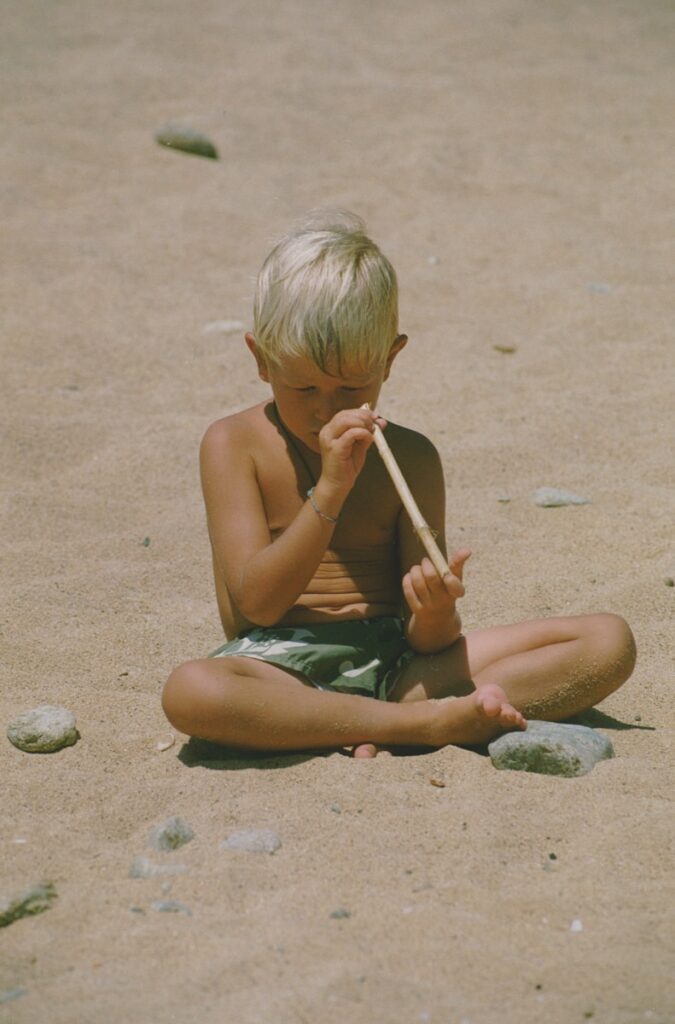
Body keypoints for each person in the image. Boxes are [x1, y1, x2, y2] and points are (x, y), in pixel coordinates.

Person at [162, 212, 636, 757]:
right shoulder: (232, 443)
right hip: (278, 668)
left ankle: (366, 720)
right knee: (192, 691)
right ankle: (421, 727)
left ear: (390, 360)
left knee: (607, 641)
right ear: (261, 361)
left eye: (352, 386)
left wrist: (435, 612)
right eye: (304, 386)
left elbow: (425, 639)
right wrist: (331, 492)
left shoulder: (411, 457)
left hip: (400, 668)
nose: (326, 408)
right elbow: (258, 607)